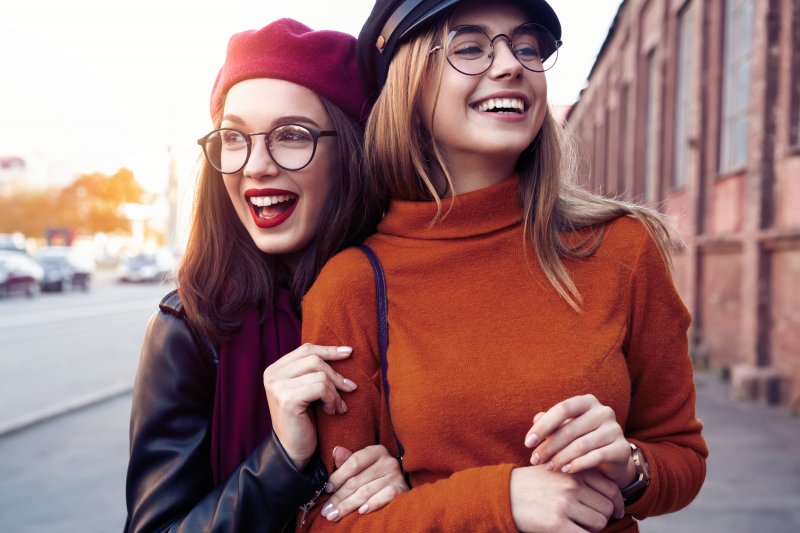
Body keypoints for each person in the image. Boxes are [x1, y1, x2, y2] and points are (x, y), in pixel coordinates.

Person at [299, 0, 708, 531]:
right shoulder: (354, 283)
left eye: (527, 48)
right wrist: (497, 500)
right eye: (470, 47)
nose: (512, 64)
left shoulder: (622, 249)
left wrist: (629, 465)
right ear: (408, 86)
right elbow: (330, 521)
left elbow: (683, 455)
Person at [125, 19, 408, 532]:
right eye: (234, 137)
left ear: (350, 151)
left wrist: (412, 490)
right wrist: (280, 459)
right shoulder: (187, 328)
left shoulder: (407, 300)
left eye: (291, 135)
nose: (255, 165)